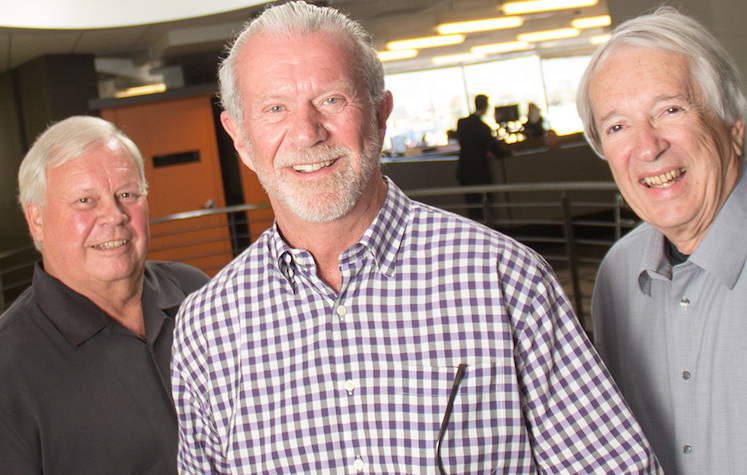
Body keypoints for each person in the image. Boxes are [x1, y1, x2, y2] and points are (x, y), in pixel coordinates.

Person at [171, 2, 660, 473]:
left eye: (331, 100)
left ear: (380, 114)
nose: (307, 132)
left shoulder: (504, 280)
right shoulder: (207, 329)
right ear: (239, 138)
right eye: (275, 108)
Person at [576, 7, 747, 474]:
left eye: (670, 109)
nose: (648, 147)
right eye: (617, 127)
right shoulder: (617, 275)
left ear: (734, 125)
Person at [0, 115, 210, 473]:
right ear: (36, 219)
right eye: (85, 201)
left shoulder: (195, 293)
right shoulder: (9, 367)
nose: (114, 216)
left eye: (127, 195)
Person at [455, 94, 511, 221]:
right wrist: (510, 154)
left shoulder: (462, 123)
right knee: (485, 207)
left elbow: (463, 143)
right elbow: (495, 150)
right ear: (486, 107)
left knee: (471, 208)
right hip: (480, 173)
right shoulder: (483, 128)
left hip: (465, 172)